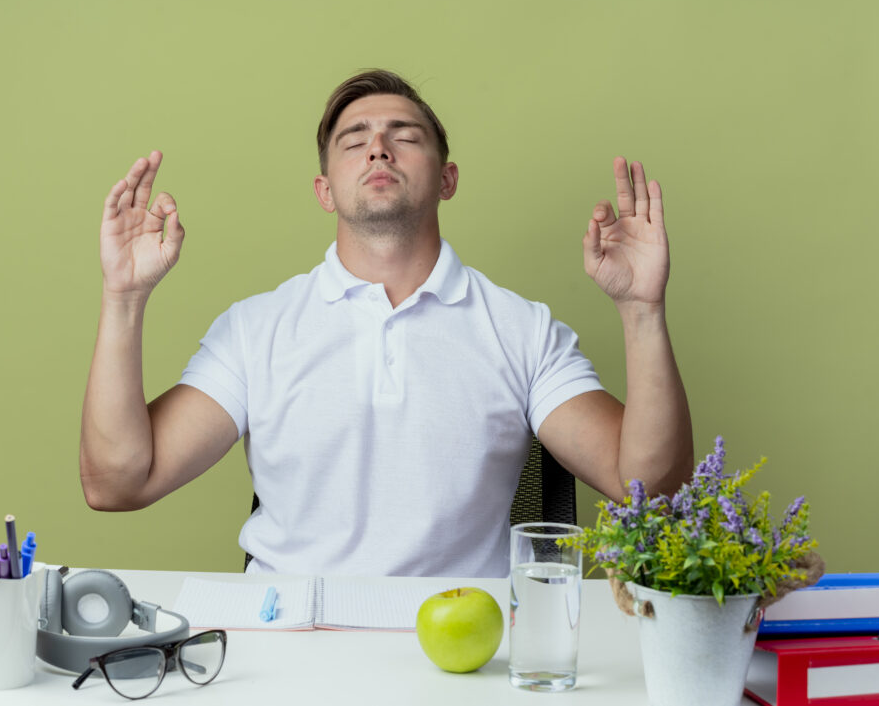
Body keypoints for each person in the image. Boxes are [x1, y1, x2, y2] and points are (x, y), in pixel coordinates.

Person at [79, 70, 693, 577]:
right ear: (325, 191)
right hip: (288, 648)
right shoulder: (255, 329)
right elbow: (117, 483)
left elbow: (653, 488)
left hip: (466, 655)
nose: (378, 147)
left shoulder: (523, 330)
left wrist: (642, 313)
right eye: (355, 140)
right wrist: (123, 297)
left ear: (447, 179)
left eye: (404, 136)